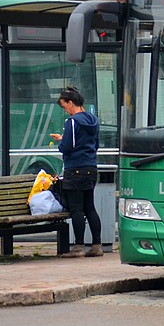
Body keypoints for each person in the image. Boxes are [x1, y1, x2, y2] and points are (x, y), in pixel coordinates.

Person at [51, 87, 102, 257]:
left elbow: (68, 146)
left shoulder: (72, 122)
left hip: (75, 168)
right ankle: (97, 244)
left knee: (76, 209)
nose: (65, 109)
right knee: (90, 207)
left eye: (64, 105)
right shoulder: (93, 120)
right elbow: (94, 144)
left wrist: (61, 142)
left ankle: (79, 246)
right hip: (90, 166)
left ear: (71, 103)